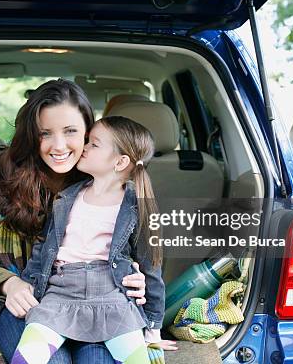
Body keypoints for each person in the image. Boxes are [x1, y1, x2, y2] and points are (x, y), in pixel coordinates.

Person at [0, 79, 150, 364]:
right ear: (30, 135)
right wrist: (9, 285)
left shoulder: (114, 182)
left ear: (89, 130)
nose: (58, 146)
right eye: (44, 133)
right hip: (31, 301)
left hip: (101, 303)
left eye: (71, 131)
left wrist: (137, 277)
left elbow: (140, 255)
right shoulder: (1, 182)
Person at [11, 116, 176, 364]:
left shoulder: (136, 207)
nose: (84, 147)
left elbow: (151, 267)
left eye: (94, 144)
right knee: (25, 358)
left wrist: (152, 328)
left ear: (120, 162)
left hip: (113, 299)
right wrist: (27, 287)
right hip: (60, 295)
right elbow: (43, 249)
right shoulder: (66, 198)